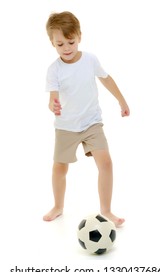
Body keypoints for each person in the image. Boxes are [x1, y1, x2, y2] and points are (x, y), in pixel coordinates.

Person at [43, 11, 130, 226]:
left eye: (70, 42)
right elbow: (52, 97)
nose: (67, 48)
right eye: (60, 44)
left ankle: (106, 210)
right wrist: (53, 104)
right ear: (52, 43)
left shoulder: (90, 60)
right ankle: (58, 206)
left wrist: (122, 101)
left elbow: (106, 79)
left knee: (106, 163)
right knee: (59, 168)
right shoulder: (54, 70)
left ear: (79, 36)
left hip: (92, 122)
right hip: (66, 126)